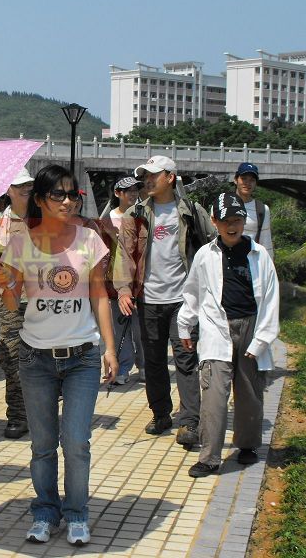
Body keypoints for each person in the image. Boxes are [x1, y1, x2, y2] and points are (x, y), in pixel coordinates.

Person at [0, 164, 117, 546]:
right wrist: (7, 284)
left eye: (72, 194)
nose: (67, 201)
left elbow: (99, 293)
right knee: (43, 445)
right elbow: (14, 304)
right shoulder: (19, 244)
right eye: (58, 195)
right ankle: (46, 510)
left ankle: (77, 513)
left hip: (81, 355)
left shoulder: (89, 240)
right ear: (41, 200)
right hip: (36, 359)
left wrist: (110, 347)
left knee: (77, 442)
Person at [113, 155, 214, 448]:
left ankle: (189, 423)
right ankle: (161, 414)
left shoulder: (191, 211)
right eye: (144, 175)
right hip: (148, 300)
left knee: (185, 360)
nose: (147, 180)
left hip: (184, 301)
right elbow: (124, 253)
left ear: (170, 177)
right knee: (154, 361)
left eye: (153, 175)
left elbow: (213, 245)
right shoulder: (135, 214)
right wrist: (122, 290)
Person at [178, 192, 279, 477]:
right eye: (225, 221)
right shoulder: (205, 255)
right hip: (215, 329)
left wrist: (262, 340)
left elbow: (271, 299)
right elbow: (192, 293)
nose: (232, 226)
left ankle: (247, 444)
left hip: (250, 327)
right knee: (213, 395)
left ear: (244, 220)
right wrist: (185, 325)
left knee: (249, 392)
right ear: (214, 221)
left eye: (237, 220)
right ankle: (209, 457)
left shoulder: (259, 255)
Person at [0, 167, 35, 439]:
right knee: (11, 356)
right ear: (8, 190)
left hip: (42, 302)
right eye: (19, 184)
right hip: (10, 302)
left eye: (28, 183)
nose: (26, 188)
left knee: (40, 357)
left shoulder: (44, 219)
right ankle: (17, 415)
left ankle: (40, 411)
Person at [102, 176, 145, 385]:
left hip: (141, 281)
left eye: (136, 190)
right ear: (118, 193)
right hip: (113, 281)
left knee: (141, 327)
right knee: (120, 327)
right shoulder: (106, 220)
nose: (133, 194)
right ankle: (124, 367)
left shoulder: (143, 214)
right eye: (128, 191)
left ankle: (144, 365)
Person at [234, 162, 274, 259]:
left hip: (251, 265)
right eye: (244, 179)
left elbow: (266, 242)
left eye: (252, 180)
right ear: (235, 180)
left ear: (256, 183)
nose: (247, 183)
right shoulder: (221, 204)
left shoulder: (262, 209)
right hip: (225, 264)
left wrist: (270, 269)